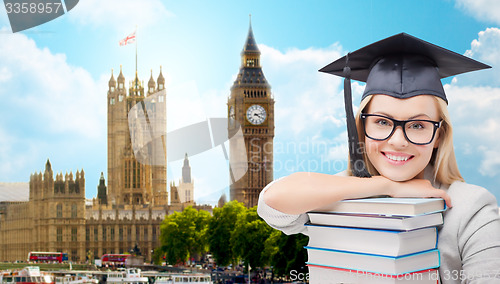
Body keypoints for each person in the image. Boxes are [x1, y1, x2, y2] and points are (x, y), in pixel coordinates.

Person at [257, 33, 500, 283]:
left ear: (439, 134)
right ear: (361, 128)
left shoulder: (471, 208)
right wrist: (387, 187)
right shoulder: (337, 194)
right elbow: (272, 202)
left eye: (418, 125)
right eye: (382, 122)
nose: (398, 140)